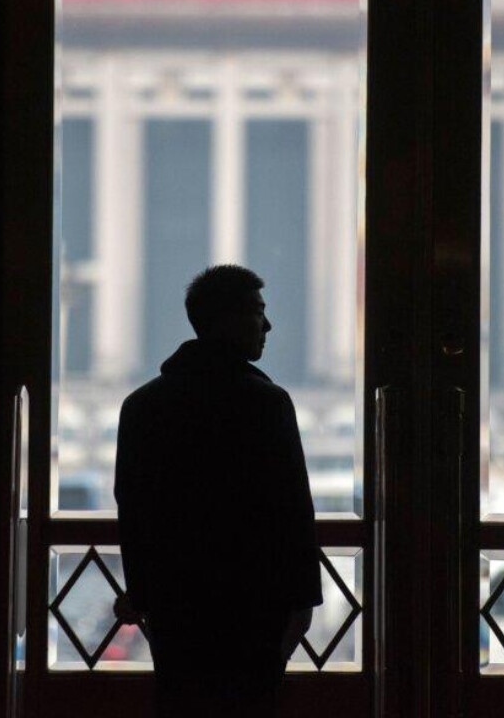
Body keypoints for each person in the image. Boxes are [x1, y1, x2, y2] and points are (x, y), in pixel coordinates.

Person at [114, 265, 322, 717]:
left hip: (177, 608)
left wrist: (142, 593)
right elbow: (293, 510)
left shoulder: (143, 406)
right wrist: (303, 601)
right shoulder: (267, 404)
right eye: (257, 312)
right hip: (255, 607)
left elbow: (133, 510)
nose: (267, 326)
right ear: (226, 320)